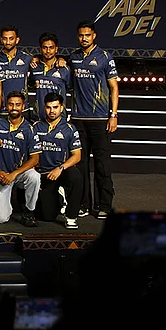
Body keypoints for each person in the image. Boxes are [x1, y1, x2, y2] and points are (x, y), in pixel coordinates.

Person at [69, 20, 119, 220]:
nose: (83, 38)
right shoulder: (73, 58)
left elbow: (114, 88)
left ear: (94, 36)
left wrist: (113, 115)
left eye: (87, 35)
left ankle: (104, 205)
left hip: (100, 119)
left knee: (102, 165)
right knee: (80, 167)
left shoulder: (106, 57)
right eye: (81, 35)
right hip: (79, 119)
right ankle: (83, 205)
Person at [0, 91, 41, 226]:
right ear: (6, 106)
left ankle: (28, 212)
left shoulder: (30, 129)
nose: (14, 107)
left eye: (18, 105)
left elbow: (35, 159)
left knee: (34, 177)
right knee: (1, 219)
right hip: (1, 174)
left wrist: (14, 174)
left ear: (23, 107)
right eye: (11, 104)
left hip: (19, 173)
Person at [33, 93, 83, 229]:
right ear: (44, 108)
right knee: (46, 217)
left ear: (61, 108)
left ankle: (71, 217)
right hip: (43, 175)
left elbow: (77, 156)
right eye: (49, 107)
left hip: (60, 172)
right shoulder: (36, 127)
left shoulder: (70, 129)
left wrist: (60, 168)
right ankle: (60, 198)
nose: (52, 111)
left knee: (76, 176)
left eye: (55, 107)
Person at [29, 32, 71, 121]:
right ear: (40, 49)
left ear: (56, 49)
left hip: (59, 120)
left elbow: (71, 88)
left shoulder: (65, 69)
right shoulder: (34, 67)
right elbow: (30, 84)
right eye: (45, 48)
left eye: (51, 48)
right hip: (38, 119)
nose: (48, 51)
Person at [0, 25, 33, 115]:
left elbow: (45, 62)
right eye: (5, 39)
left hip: (23, 110)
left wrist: (60, 60)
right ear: (1, 40)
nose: (8, 42)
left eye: (11, 38)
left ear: (17, 40)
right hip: (3, 110)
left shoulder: (27, 58)